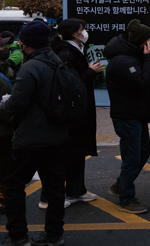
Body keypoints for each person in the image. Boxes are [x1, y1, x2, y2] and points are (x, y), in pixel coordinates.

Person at [0, 20, 68, 246]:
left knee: (12, 185)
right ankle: (54, 235)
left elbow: (15, 106)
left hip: (30, 138)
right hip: (56, 135)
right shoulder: (57, 61)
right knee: (54, 188)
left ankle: (19, 237)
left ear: (26, 43)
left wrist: (2, 105)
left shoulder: (30, 68)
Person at [44, 18, 104, 208]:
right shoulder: (66, 53)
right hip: (71, 111)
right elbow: (69, 83)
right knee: (65, 154)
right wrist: (90, 72)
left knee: (77, 152)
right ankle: (49, 197)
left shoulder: (75, 49)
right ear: (73, 34)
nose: (84, 32)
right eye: (81, 29)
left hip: (79, 110)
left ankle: (76, 190)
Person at [104, 19, 150, 214]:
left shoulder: (131, 56)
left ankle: (120, 186)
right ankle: (126, 198)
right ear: (142, 42)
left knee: (143, 152)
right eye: (149, 41)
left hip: (136, 113)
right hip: (127, 116)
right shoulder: (124, 61)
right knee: (132, 157)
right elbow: (142, 82)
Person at [0, 36, 13, 216]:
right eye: (1, 45)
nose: (6, 47)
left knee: (6, 160)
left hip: (5, 128)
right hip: (3, 125)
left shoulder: (5, 66)